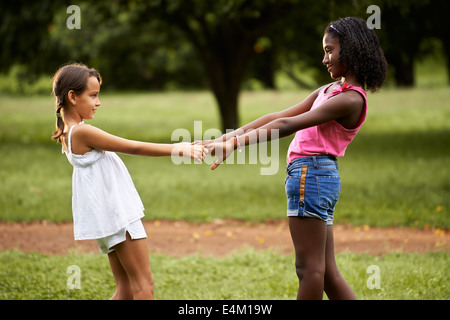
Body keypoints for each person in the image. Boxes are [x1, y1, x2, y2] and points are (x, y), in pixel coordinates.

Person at [204, 17, 388, 299]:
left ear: (350, 51)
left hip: (311, 177)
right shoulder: (327, 91)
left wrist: (237, 144)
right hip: (315, 178)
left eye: (330, 50)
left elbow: (287, 126)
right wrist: (226, 138)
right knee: (326, 273)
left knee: (309, 270)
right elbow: (277, 116)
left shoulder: (351, 99)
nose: (324, 58)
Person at [51, 63, 207, 300]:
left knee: (125, 291)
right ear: (72, 96)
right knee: (144, 286)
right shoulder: (82, 133)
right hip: (117, 215)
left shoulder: (70, 131)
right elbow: (133, 147)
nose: (98, 102)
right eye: (93, 96)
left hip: (107, 217)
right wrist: (179, 148)